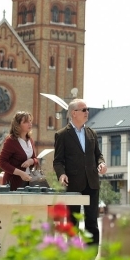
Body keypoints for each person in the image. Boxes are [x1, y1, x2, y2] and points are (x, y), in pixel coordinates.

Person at [53, 98, 107, 246]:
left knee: (92, 223)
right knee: (72, 223)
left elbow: (98, 155)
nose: (87, 112)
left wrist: (101, 163)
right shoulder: (62, 135)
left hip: (92, 183)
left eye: (87, 109)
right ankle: (73, 254)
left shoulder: (92, 133)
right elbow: (58, 161)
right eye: (84, 110)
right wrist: (61, 174)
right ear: (73, 113)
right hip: (73, 184)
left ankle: (91, 256)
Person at [0, 111, 38, 191]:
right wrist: (21, 173)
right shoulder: (11, 141)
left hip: (29, 182)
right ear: (18, 125)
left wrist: (32, 161)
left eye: (30, 121)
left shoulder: (30, 140)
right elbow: (2, 162)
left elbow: (35, 159)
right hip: (13, 183)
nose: (30, 124)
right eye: (26, 122)